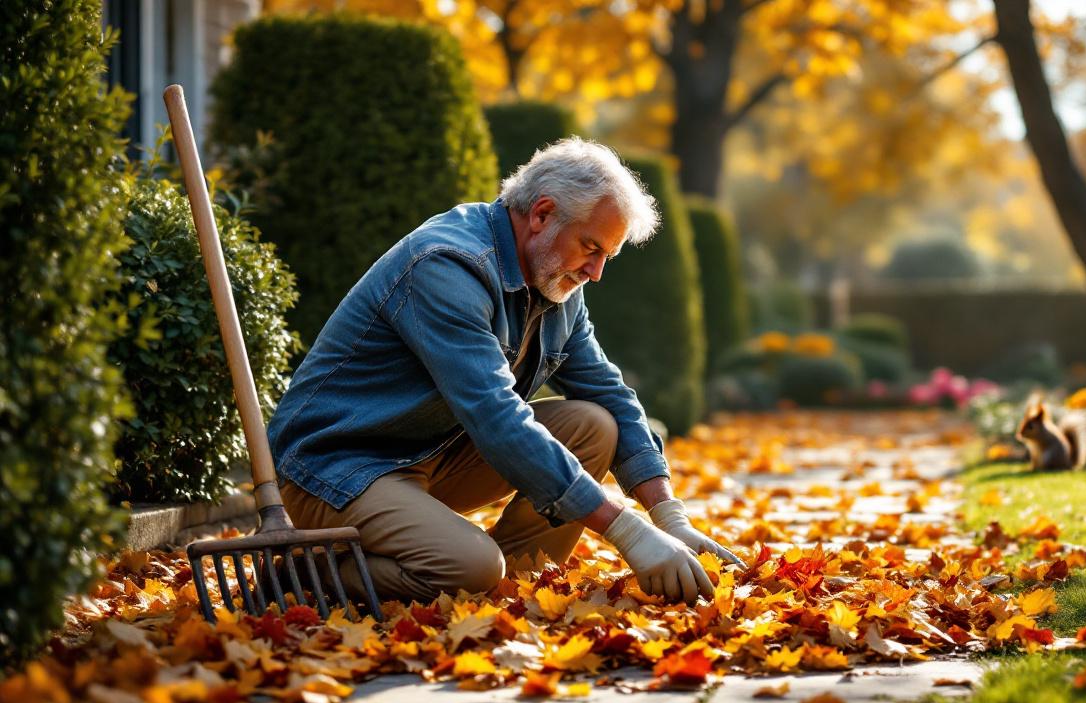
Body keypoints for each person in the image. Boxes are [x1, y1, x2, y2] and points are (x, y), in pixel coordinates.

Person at [267, 138, 743, 607]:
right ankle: (298, 569)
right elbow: (495, 415)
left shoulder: (555, 281)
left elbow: (608, 392)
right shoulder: (447, 266)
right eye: (590, 247)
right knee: (469, 567)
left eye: (606, 257)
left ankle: (512, 589)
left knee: (596, 424)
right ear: (541, 214)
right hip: (336, 468)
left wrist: (668, 516)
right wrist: (624, 528)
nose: (595, 272)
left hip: (428, 454)